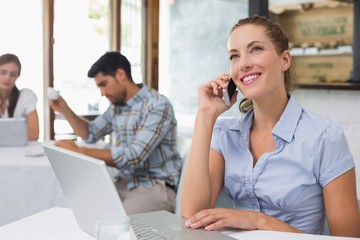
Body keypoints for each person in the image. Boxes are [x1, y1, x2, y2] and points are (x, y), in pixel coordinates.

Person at [181, 15, 360, 237]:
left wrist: (258, 220)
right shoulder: (225, 134)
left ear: (284, 60)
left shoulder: (324, 137)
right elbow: (192, 215)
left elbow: (347, 237)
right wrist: (206, 115)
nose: (243, 63)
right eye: (234, 56)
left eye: (255, 49)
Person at [50, 51, 182, 214]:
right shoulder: (116, 108)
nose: (102, 93)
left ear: (120, 74)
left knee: (115, 226)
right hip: (124, 183)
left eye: (104, 84)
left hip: (155, 187)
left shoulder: (157, 105)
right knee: (80, 212)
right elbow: (90, 134)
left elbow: (133, 156)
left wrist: (78, 151)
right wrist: (64, 109)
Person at [0, 53, 39, 141]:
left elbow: (34, 134)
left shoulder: (26, 96)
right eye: (3, 72)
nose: (7, 77)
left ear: (18, 76)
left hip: (21, 152)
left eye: (13, 74)